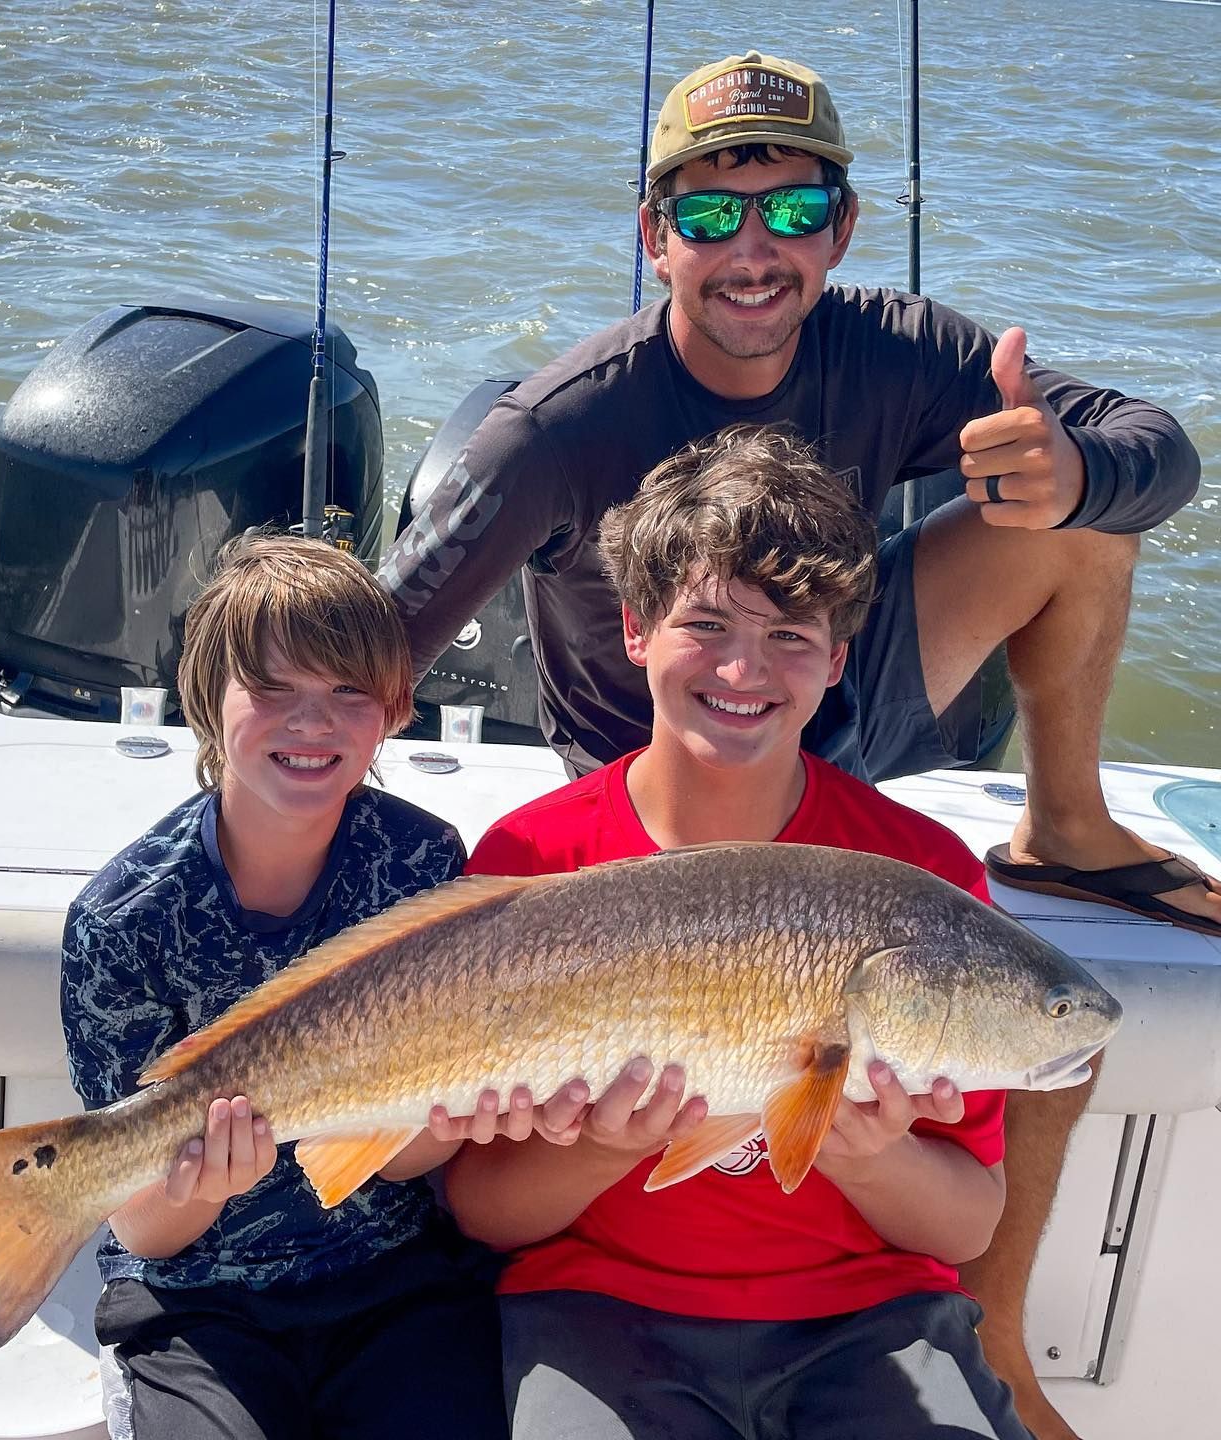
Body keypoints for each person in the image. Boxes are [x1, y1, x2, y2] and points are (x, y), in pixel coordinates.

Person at [378, 50, 1215, 1438]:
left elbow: (1159, 446)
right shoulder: (559, 426)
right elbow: (387, 638)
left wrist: (1077, 472)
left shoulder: (903, 348)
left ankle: (1067, 828)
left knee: (1078, 534)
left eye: (790, 209)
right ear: (655, 237)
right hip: (640, 789)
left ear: (840, 226)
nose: (752, 250)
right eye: (709, 216)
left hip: (833, 691)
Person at [447, 424, 1034, 1439]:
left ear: (838, 659)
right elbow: (482, 1213)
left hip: (875, 1320)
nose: (743, 668)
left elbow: (968, 1221)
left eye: (791, 637)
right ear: (634, 627)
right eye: (706, 625)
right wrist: (595, 1152)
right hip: (595, 1310)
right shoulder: (531, 860)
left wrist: (863, 1151)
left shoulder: (922, 877)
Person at [59, 534, 551, 1440]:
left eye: (347, 692)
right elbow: (145, 1230)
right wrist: (203, 1186)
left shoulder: (423, 862)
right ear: (206, 697)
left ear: (395, 709)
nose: (311, 722)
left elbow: (401, 1162)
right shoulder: (122, 920)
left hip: (396, 1280)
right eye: (273, 688)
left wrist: (445, 1122)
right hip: (196, 1306)